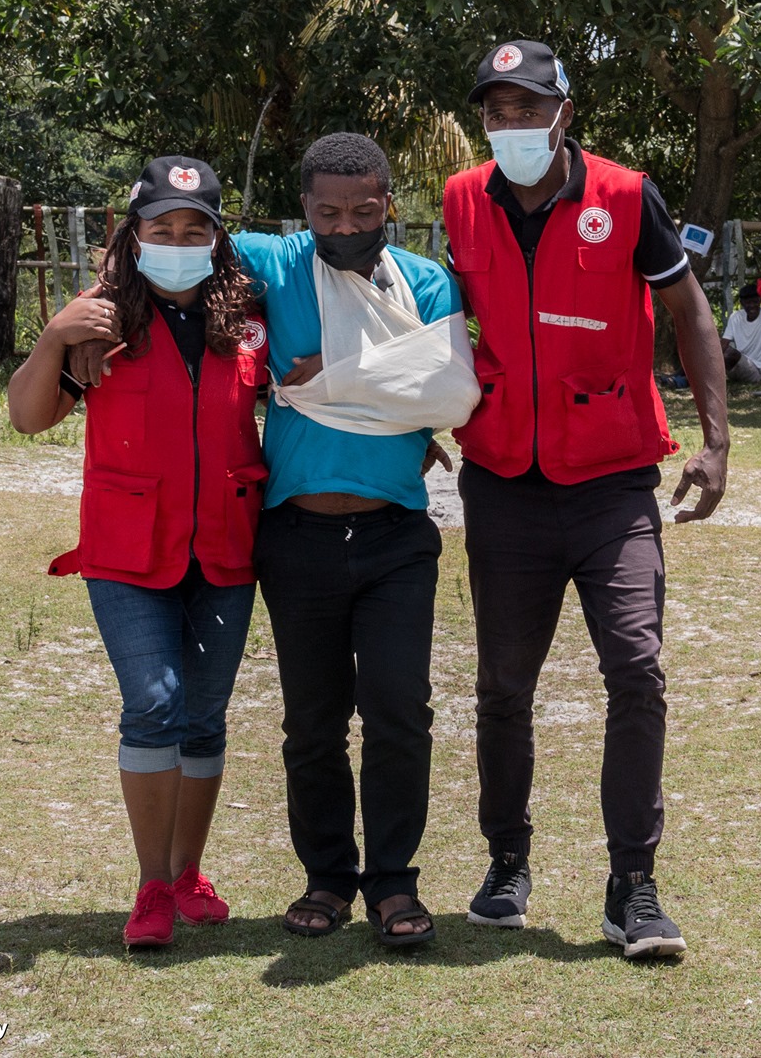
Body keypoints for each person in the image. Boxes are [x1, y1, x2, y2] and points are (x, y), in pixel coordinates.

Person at [444, 38, 730, 960]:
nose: (513, 124)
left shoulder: (623, 195)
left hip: (610, 481)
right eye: (498, 109)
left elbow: (688, 312)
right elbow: (439, 322)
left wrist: (717, 441)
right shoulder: (460, 202)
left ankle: (633, 885)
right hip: (504, 483)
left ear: (565, 111)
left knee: (637, 671)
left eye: (529, 106)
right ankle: (506, 861)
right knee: (502, 687)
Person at [7, 155, 266, 949]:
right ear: (135, 234)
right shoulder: (99, 317)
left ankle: (190, 872)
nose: (179, 242)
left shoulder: (249, 315)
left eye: (196, 230)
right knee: (154, 701)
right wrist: (55, 336)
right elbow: (27, 415)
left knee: (205, 714)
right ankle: (152, 883)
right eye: (163, 229)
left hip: (226, 541)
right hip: (127, 548)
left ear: (218, 240)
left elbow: (296, 394)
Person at [232, 133, 471, 947]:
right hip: (295, 535)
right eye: (327, 212)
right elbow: (173, 233)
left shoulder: (428, 282)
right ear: (304, 208)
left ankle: (394, 882)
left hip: (396, 537)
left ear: (387, 204)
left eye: (363, 211)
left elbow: (444, 391)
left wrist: (351, 387)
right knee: (313, 721)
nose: (344, 226)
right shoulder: (274, 261)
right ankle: (328, 877)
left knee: (401, 712)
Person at [721, 281, 761, 384]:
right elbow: (724, 344)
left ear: (760, 300)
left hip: (760, 371)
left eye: (755, 302)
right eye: (748, 303)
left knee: (728, 353)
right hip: (739, 366)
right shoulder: (735, 317)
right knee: (718, 350)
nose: (752, 306)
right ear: (742, 303)